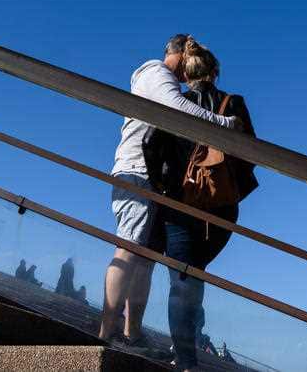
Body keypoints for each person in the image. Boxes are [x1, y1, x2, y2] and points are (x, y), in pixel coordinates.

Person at [98, 34, 241, 356]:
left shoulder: (162, 80)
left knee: (143, 258)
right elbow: (177, 111)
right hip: (136, 172)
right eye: (185, 64)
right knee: (129, 248)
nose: (185, 74)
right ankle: (105, 333)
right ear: (176, 55)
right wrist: (225, 123)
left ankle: (131, 333)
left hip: (148, 177)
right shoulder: (156, 73)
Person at [159, 39, 253, 372]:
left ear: (186, 75)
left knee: (181, 280)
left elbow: (156, 149)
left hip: (180, 205)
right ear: (214, 72)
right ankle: (185, 345)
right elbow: (249, 157)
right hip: (222, 209)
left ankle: (183, 358)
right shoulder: (234, 104)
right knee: (195, 274)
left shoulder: (177, 103)